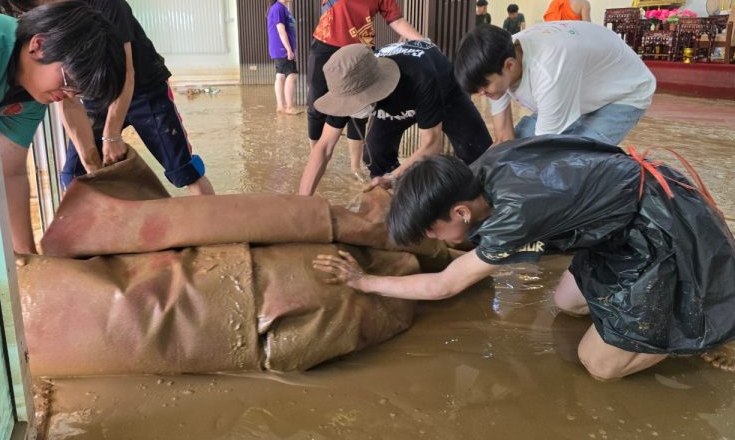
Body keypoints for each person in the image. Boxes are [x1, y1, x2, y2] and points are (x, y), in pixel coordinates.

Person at [313, 138, 735, 380]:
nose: (430, 239)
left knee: (599, 367)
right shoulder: (484, 169)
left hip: (662, 229)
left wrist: (362, 281)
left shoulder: (514, 217)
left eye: (432, 230)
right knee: (568, 303)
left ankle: (688, 331)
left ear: (460, 212)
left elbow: (446, 284)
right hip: (618, 222)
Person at [0, 0, 215, 196]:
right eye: (17, 17)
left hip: (143, 91)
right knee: (75, 177)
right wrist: (92, 164)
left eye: (27, 11)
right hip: (94, 97)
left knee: (183, 169)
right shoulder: (42, 39)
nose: (26, 23)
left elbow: (127, 73)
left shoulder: (102, 2)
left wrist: (111, 135)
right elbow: (66, 97)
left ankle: (215, 216)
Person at [231, 0, 423, 177]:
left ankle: (355, 166)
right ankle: (317, 158)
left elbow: (396, 21)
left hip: (360, 55)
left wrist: (423, 42)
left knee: (359, 109)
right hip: (326, 48)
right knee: (316, 105)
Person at [0, 2, 125, 254]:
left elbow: (10, 172)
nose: (68, 94)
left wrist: (28, 256)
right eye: (68, 81)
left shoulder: (32, 94)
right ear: (39, 45)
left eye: (78, 91)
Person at [298, 40, 492, 195]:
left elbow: (432, 145)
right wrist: (302, 202)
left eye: (355, 102)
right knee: (375, 154)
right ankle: (401, 202)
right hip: (392, 101)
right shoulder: (347, 81)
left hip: (444, 94)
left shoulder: (419, 76)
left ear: (375, 89)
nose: (351, 109)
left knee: (480, 156)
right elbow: (324, 148)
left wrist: (393, 176)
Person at [454, 21, 656, 145]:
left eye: (484, 87)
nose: (482, 93)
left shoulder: (548, 72)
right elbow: (504, 139)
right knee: (520, 143)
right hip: (581, 85)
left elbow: (543, 151)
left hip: (624, 91)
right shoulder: (498, 54)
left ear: (509, 65)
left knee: (576, 160)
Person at [267, 0, 299, 114]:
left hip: (279, 48)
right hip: (282, 48)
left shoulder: (280, 8)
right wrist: (289, 50)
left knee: (280, 76)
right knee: (292, 75)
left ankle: (280, 107)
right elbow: (281, 30)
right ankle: (290, 107)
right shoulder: (278, 8)